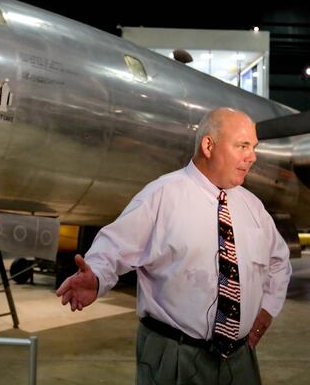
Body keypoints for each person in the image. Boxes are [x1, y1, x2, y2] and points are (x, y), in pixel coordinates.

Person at [56, 108, 292, 384]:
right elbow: (114, 246)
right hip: (174, 356)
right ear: (208, 145)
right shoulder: (161, 196)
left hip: (239, 359)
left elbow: (279, 261)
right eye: (242, 146)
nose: (252, 156)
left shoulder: (253, 207)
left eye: (253, 148)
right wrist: (95, 277)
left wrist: (267, 309)